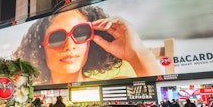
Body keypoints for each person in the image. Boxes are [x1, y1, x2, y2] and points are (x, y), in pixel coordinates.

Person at [13, 6, 163, 84]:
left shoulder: (112, 85)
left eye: (80, 33)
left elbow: (157, 84)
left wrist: (135, 52)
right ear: (41, 47)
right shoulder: (30, 91)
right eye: (57, 38)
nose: (70, 45)